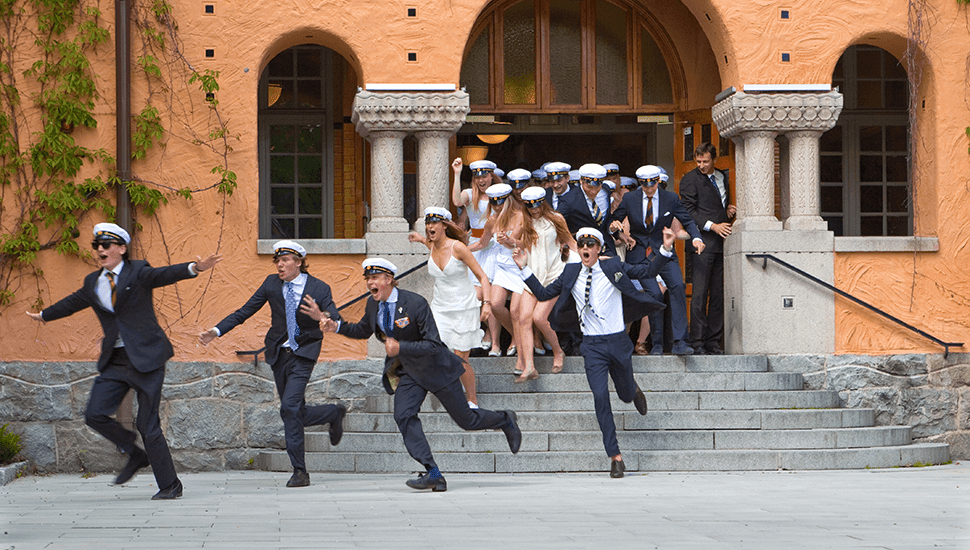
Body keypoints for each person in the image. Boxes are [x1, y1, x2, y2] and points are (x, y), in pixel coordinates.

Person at [26, 223, 222, 500]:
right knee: (94, 414)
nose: (101, 250)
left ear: (121, 248)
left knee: (148, 424)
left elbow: (163, 275)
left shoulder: (138, 271)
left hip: (147, 358)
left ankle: (170, 486)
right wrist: (45, 315)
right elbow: (72, 303)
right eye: (97, 246)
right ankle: (134, 452)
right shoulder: (92, 282)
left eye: (107, 245)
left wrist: (195, 267)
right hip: (116, 361)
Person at [320, 259, 521, 492]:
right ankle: (433, 472)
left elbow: (434, 345)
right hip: (409, 372)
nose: (369, 283)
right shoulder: (373, 305)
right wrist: (336, 327)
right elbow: (363, 330)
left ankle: (505, 419)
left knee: (467, 420)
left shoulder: (415, 303)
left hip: (437, 369)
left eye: (374, 278)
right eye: (367, 279)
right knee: (403, 415)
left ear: (388, 280)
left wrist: (401, 348)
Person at [511, 226, 675, 478]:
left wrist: (665, 248)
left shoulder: (613, 267)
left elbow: (648, 271)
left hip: (618, 342)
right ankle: (615, 457)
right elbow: (543, 294)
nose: (585, 249)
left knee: (623, 394)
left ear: (599, 249)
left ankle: (632, 389)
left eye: (590, 245)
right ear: (578, 249)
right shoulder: (570, 272)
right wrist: (524, 267)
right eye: (582, 245)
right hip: (592, 346)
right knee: (600, 397)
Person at [198, 240, 346, 488]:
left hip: (304, 353)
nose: (280, 265)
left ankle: (300, 472)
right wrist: (216, 331)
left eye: (285, 260)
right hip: (279, 354)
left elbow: (334, 314)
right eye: (277, 260)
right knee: (293, 411)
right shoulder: (271, 284)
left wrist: (323, 317)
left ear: (298, 262)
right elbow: (244, 312)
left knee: (289, 407)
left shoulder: (319, 288)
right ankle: (333, 413)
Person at [609, 165, 705, 356]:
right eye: (645, 186)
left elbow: (687, 220)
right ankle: (657, 344)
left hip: (665, 252)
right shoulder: (630, 198)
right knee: (654, 294)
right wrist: (620, 233)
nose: (649, 189)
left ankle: (680, 341)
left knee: (678, 286)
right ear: (641, 184)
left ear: (658, 183)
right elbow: (613, 223)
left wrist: (696, 238)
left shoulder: (671, 198)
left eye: (652, 185)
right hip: (639, 255)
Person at [408, 207, 492, 408]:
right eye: (427, 224)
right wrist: (419, 238)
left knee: (460, 358)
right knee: (434, 349)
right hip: (440, 307)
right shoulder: (432, 245)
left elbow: (483, 277)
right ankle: (446, 386)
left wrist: (487, 304)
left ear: (444, 225)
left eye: (433, 223)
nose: (429, 227)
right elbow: (427, 242)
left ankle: (472, 400)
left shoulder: (458, 248)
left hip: (464, 307)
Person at [679, 142, 736, 355]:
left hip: (722, 244)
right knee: (700, 295)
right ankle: (698, 342)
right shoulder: (689, 179)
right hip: (701, 243)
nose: (701, 165)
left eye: (705, 161)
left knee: (718, 295)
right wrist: (713, 225)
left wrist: (726, 210)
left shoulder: (723, 176)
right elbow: (687, 211)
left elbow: (717, 203)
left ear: (714, 160)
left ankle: (713, 342)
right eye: (699, 161)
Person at [471, 182, 527, 363]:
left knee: (515, 310)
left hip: (520, 264)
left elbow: (527, 243)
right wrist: (460, 249)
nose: (496, 207)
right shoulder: (492, 220)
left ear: (508, 201)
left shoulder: (521, 216)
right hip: (502, 266)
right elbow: (481, 243)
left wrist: (510, 241)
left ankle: (515, 341)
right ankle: (517, 337)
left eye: (500, 203)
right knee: (495, 305)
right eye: (493, 204)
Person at [452, 158, 501, 356]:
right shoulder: (469, 195)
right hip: (476, 245)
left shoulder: (499, 193)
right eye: (477, 176)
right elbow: (456, 201)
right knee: (478, 295)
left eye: (485, 176)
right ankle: (483, 334)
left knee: (489, 295)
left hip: (495, 245)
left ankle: (495, 342)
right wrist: (457, 173)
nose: (481, 180)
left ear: (491, 176)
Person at [557, 163, 617, 256]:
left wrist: (615, 229)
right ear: (581, 181)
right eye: (589, 187)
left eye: (597, 187)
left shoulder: (606, 191)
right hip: (582, 249)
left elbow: (605, 219)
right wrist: (568, 242)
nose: (593, 191)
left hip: (606, 247)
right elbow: (557, 224)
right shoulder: (568, 200)